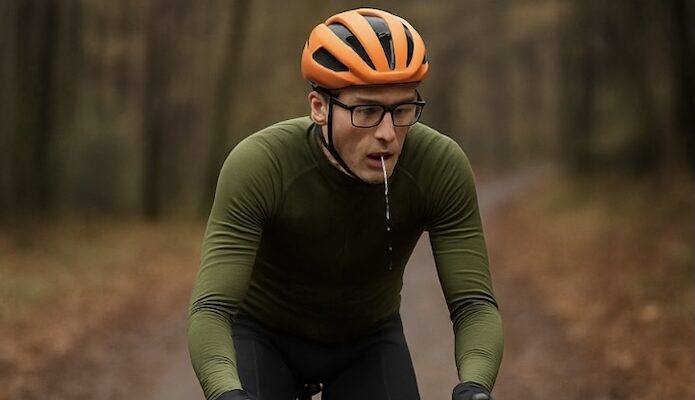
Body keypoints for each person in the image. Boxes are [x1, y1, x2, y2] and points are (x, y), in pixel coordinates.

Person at [188, 7, 503, 400]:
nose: (387, 133)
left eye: (402, 110)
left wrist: (475, 385)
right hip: (262, 335)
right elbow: (212, 308)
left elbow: (474, 304)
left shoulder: (439, 166)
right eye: (367, 111)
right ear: (319, 107)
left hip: (368, 341)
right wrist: (225, 391)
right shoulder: (260, 165)